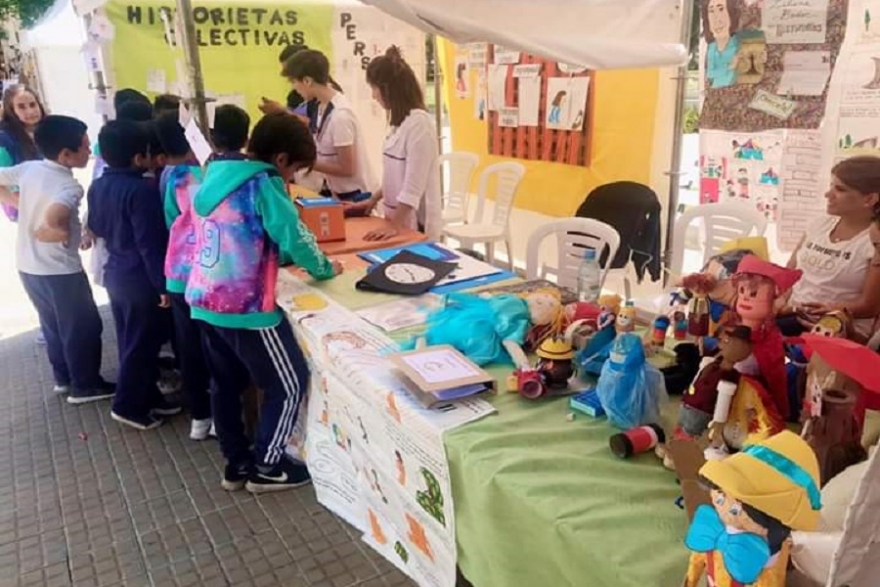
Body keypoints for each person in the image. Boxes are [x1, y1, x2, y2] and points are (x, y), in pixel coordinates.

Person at [186, 112, 342, 493]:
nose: (291, 179)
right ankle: (268, 466)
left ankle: (236, 464)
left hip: (204, 298)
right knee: (288, 383)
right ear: (282, 159)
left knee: (225, 385)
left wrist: (279, 256)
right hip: (245, 307)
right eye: (294, 171)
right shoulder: (264, 182)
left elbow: (245, 233)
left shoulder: (215, 173)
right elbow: (294, 234)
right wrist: (325, 268)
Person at [0, 115, 114, 403]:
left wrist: (19, 203)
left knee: (52, 325)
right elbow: (57, 213)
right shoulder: (69, 186)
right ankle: (85, 385)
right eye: (85, 147)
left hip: (28, 266)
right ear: (66, 155)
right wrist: (55, 229)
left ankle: (63, 378)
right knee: (83, 326)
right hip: (60, 270)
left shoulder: (30, 169)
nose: (89, 150)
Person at [87, 120, 177, 431]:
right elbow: (149, 244)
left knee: (131, 338)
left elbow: (96, 226)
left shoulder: (98, 185)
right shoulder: (142, 190)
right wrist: (162, 286)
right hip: (141, 279)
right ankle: (127, 405)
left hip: (116, 273)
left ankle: (148, 396)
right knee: (142, 344)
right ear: (140, 158)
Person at [155, 114, 213, 440]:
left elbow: (170, 224)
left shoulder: (168, 177)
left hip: (178, 273)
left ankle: (199, 417)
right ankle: (219, 416)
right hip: (208, 274)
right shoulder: (208, 176)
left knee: (188, 348)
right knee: (215, 348)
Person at [781, 156, 880, 339]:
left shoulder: (875, 240)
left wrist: (830, 311)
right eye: (831, 186)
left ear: (870, 199)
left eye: (840, 189)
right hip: (792, 316)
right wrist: (778, 302)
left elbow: (869, 306)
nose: (828, 194)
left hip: (838, 329)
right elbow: (790, 271)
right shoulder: (819, 224)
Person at [357, 46, 441, 242]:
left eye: (374, 88)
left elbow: (413, 187)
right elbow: (394, 176)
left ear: (388, 89)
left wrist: (394, 225)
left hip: (415, 225)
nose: (373, 96)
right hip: (396, 221)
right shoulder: (400, 123)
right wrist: (373, 200)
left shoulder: (420, 125)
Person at [282, 49, 375, 200]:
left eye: (294, 82)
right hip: (338, 193)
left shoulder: (340, 115)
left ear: (307, 81)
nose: (294, 88)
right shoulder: (319, 107)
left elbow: (348, 168)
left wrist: (305, 162)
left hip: (357, 196)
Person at [0, 84, 45, 222]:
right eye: (21, 107)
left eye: (32, 104)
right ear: (11, 111)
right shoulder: (4, 139)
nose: (30, 111)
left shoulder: (47, 130)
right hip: (25, 211)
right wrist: (24, 206)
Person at [703, 0, 740, 90]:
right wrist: (730, 67)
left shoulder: (739, 44)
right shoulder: (711, 48)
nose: (716, 19)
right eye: (711, 11)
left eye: (721, 9)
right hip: (716, 91)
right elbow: (710, 74)